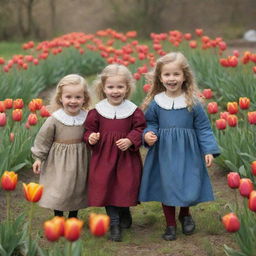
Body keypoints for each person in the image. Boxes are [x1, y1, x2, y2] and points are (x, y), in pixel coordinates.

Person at [139, 52, 220, 241]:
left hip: (188, 151)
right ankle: (170, 224)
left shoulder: (193, 102)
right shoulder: (156, 103)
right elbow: (150, 124)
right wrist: (147, 135)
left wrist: (208, 149)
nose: (171, 78)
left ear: (185, 76)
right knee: (166, 185)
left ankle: (184, 213)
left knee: (187, 182)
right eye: (167, 75)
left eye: (176, 74)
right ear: (160, 77)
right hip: (163, 152)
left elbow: (203, 128)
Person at [84, 64, 146, 242]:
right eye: (110, 87)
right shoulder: (97, 112)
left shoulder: (133, 111)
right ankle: (114, 223)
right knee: (107, 187)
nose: (115, 91)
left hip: (126, 158)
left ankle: (124, 210)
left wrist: (131, 139)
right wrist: (91, 138)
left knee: (125, 186)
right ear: (103, 88)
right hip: (103, 158)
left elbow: (140, 128)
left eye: (120, 87)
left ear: (127, 88)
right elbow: (87, 130)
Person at [31, 74, 91, 219]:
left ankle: (73, 215)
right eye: (68, 97)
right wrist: (38, 158)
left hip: (80, 159)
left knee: (77, 187)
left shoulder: (87, 117)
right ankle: (58, 214)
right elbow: (43, 139)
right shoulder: (55, 119)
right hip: (58, 161)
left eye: (78, 97)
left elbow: (92, 134)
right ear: (60, 98)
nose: (73, 101)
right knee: (60, 188)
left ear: (84, 98)